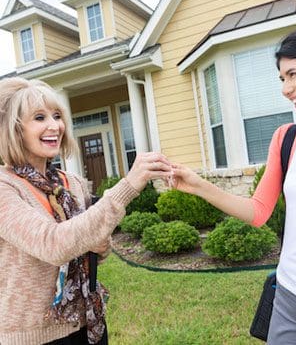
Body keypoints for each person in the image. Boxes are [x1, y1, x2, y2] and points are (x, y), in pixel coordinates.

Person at [170, 27, 296, 344]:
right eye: (282, 78)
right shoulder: (287, 137)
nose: (285, 88)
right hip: (289, 298)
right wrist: (198, 185)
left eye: (293, 74)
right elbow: (258, 211)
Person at [0, 77, 172, 345]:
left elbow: (95, 250)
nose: (54, 125)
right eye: (39, 117)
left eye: (57, 116)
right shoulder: (6, 188)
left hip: (87, 322)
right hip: (33, 335)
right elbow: (53, 244)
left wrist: (101, 245)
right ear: (14, 129)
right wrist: (127, 187)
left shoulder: (73, 183)